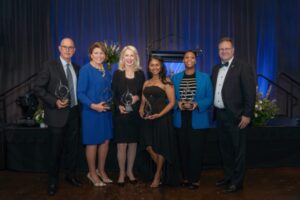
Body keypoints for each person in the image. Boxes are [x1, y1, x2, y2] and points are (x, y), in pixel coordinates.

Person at [34, 37, 81, 196]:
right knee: (54, 151)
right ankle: (52, 181)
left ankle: (70, 175)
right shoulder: (49, 66)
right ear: (59, 48)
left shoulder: (77, 68)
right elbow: (38, 88)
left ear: (74, 50)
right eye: (65, 47)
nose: (68, 50)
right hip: (56, 115)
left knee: (72, 149)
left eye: (71, 48)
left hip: (74, 113)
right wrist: (54, 102)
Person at [211, 37, 256, 193]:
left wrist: (247, 114)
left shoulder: (243, 67)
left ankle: (237, 182)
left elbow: (250, 93)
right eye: (221, 49)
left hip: (237, 117)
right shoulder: (216, 68)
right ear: (218, 52)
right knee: (226, 150)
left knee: (238, 151)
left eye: (227, 49)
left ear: (233, 50)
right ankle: (229, 177)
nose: (224, 51)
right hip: (220, 116)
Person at [172, 50, 213, 189]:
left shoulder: (205, 78)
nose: (189, 59)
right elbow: (171, 99)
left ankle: (195, 179)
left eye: (192, 57)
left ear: (195, 60)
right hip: (180, 118)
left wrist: (197, 104)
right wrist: (177, 103)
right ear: (183, 60)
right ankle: (184, 178)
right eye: (186, 57)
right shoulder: (175, 78)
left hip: (198, 119)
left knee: (196, 150)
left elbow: (209, 98)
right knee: (182, 150)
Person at [139, 56, 179, 188]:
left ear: (161, 67)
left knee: (161, 147)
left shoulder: (167, 81)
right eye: (152, 65)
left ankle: (157, 176)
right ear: (148, 67)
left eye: (157, 65)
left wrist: (159, 114)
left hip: (162, 118)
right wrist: (140, 109)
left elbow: (172, 103)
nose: (154, 67)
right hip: (148, 119)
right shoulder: (146, 83)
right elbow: (143, 101)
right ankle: (162, 171)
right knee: (149, 146)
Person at [77, 42, 113, 187]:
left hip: (105, 111)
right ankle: (91, 173)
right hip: (91, 112)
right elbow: (80, 93)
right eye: (96, 53)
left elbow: (110, 91)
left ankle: (101, 171)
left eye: (102, 53)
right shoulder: (85, 70)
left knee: (105, 141)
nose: (99, 55)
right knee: (92, 143)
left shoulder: (106, 70)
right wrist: (93, 105)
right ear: (91, 54)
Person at [112, 45, 145, 186]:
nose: (129, 58)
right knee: (121, 145)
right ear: (123, 57)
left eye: (132, 55)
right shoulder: (117, 74)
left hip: (135, 115)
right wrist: (118, 106)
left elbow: (144, 93)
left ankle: (130, 171)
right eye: (127, 55)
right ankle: (121, 173)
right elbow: (113, 95)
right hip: (121, 115)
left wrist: (138, 97)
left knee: (132, 144)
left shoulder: (140, 74)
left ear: (136, 57)